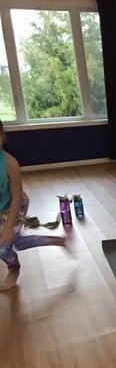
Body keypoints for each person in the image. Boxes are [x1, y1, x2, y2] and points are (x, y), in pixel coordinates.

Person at [0, 120, 68, 290]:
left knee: (4, 247)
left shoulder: (10, 163)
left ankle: (13, 270)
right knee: (18, 242)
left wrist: (8, 226)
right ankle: (55, 240)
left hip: (13, 206)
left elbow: (16, 197)